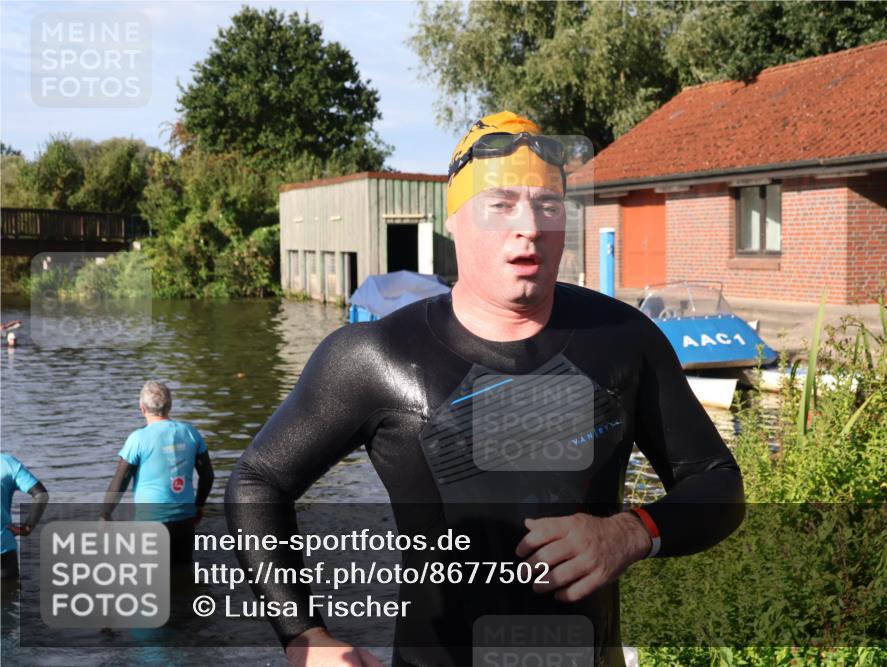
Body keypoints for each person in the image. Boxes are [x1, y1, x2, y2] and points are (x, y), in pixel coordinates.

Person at [226, 111, 745, 667]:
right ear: (457, 221)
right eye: (499, 206)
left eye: (546, 205)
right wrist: (304, 636)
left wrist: (632, 531)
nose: (527, 226)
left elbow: (717, 484)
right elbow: (258, 483)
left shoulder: (622, 339)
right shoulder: (375, 356)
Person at [102, 381, 214, 562]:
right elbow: (207, 476)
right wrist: (199, 505)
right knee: (183, 575)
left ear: (142, 408)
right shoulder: (191, 432)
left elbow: (120, 481)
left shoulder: (137, 439)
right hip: (184, 521)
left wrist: (105, 513)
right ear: (169, 406)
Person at [1, 453, 48, 580]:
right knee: (7, 597)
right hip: (4, 552)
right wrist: (27, 528)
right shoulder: (7, 463)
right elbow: (41, 495)